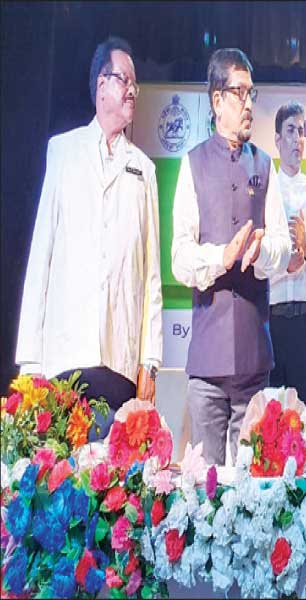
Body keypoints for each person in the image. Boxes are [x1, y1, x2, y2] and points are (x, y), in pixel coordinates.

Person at [16, 36, 162, 439]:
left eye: (135, 84)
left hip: (119, 360)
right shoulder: (63, 152)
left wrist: (149, 361)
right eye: (124, 80)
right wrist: (30, 361)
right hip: (65, 356)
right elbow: (41, 255)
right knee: (61, 467)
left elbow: (151, 274)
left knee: (114, 470)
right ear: (102, 84)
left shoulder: (144, 169)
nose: (132, 91)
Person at [171, 48, 292, 465]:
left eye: (251, 93)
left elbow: (283, 247)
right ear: (217, 100)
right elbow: (180, 256)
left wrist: (260, 252)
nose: (249, 104)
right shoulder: (193, 164)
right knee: (205, 486)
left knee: (251, 485)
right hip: (207, 359)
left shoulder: (265, 165)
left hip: (254, 357)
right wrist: (222, 256)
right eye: (240, 93)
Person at [268, 101, 306, 439]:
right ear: (277, 139)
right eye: (290, 131)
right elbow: (261, 260)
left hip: (304, 316)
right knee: (272, 417)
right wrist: (287, 263)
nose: (297, 139)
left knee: (303, 415)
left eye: (301, 131)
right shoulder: (267, 190)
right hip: (272, 316)